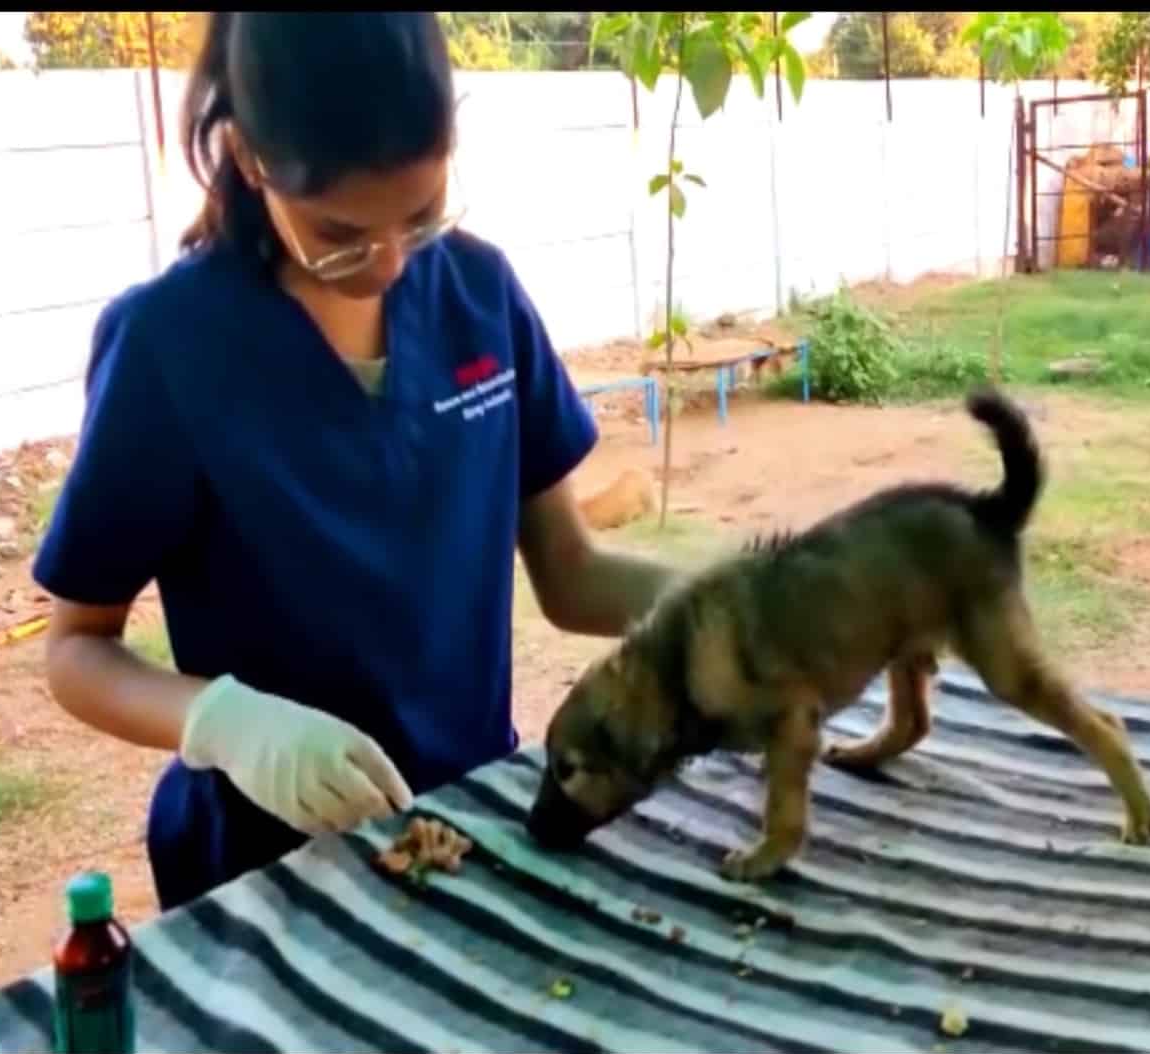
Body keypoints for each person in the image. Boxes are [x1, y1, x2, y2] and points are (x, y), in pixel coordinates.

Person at [34, 11, 678, 912]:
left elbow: (571, 575)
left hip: (467, 828)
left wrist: (726, 609)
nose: (384, 263)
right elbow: (77, 650)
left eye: (420, 217)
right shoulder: (170, 347)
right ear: (251, 158)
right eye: (338, 232)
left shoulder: (479, 297)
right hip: (270, 875)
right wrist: (227, 723)